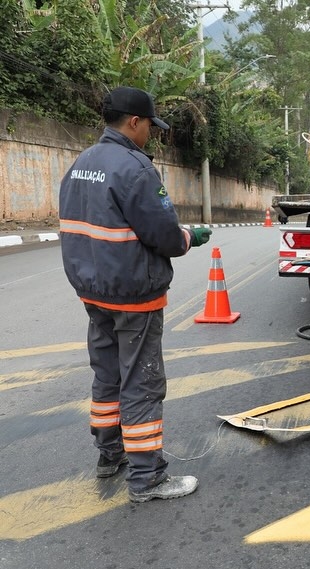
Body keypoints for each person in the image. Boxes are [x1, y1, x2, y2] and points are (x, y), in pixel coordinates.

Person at [59, 86, 211, 503]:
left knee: (107, 372)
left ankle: (110, 455)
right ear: (133, 122)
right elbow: (161, 234)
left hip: (92, 290)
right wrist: (188, 237)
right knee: (142, 382)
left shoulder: (81, 163)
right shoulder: (135, 168)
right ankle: (147, 479)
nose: (150, 135)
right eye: (149, 126)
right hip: (132, 292)